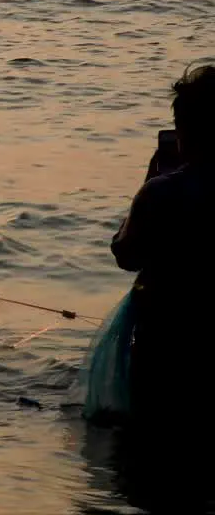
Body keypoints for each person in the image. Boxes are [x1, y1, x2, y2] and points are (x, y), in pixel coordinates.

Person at [111, 64, 215, 426]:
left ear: (183, 133)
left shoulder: (162, 192)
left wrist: (151, 180)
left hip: (167, 353)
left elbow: (125, 254)